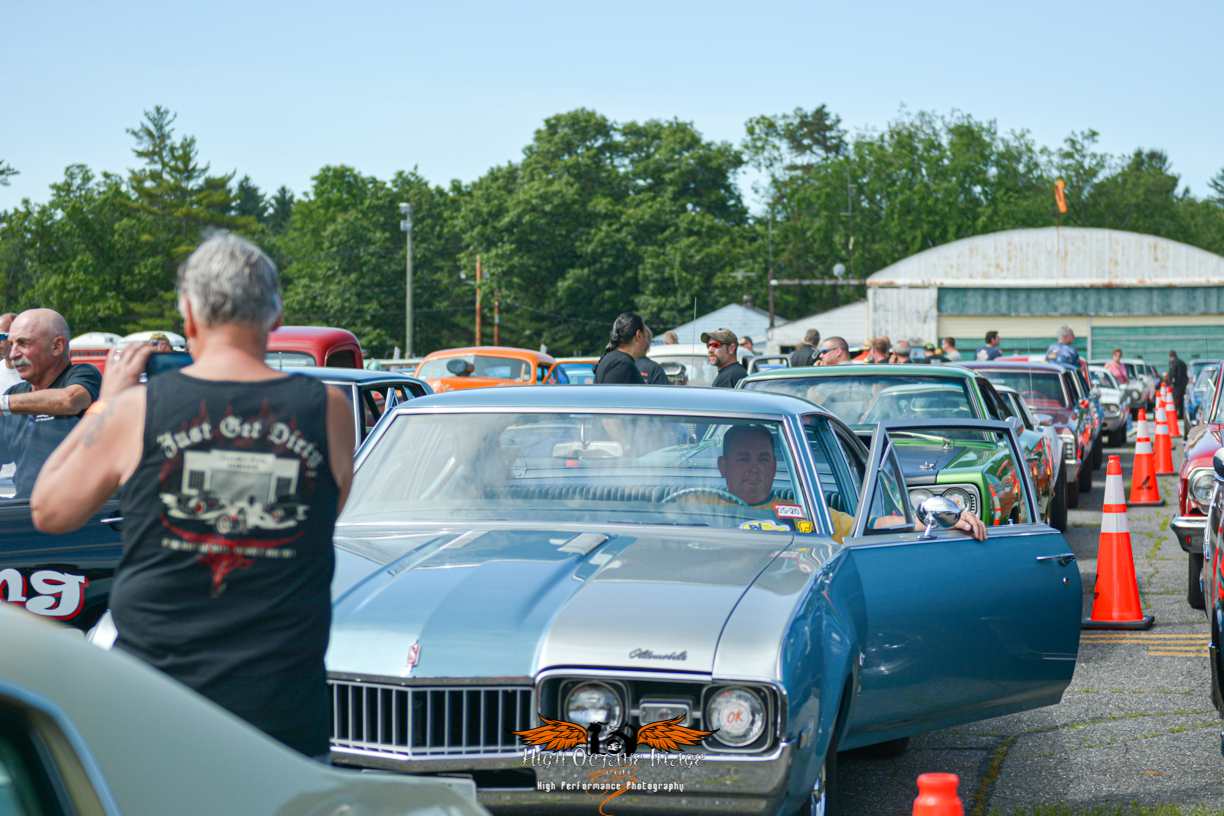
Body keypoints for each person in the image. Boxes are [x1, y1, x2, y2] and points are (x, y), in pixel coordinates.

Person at [30, 233, 354, 760]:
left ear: (189, 317)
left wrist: (106, 404)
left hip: (157, 710)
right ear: (275, 315)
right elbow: (323, 513)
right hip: (283, 716)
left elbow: (50, 509)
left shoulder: (137, 409)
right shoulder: (330, 409)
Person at [689, 424, 986, 544]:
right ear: (723, 467)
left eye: (763, 459)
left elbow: (873, 524)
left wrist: (946, 520)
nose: (755, 468)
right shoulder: (692, 505)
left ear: (775, 466)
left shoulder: (804, 513)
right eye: (743, 459)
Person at [0, 309, 102, 498]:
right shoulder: (13, 394)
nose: (13, 355)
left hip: (80, 510)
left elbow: (70, 400)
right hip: (25, 509)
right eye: (12, 344)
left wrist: (3, 403)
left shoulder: (84, 375)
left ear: (57, 346)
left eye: (23, 343)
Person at [594, 313, 649, 384]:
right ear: (638, 336)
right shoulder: (622, 364)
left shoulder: (614, 359)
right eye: (645, 335)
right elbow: (615, 391)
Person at [1169, 350, 1189, 421]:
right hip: (1183, 384)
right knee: (1181, 400)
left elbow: (1173, 374)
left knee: (1175, 400)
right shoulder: (1183, 363)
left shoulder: (1173, 363)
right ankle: (1181, 414)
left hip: (1177, 384)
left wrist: (1172, 383)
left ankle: (1175, 414)